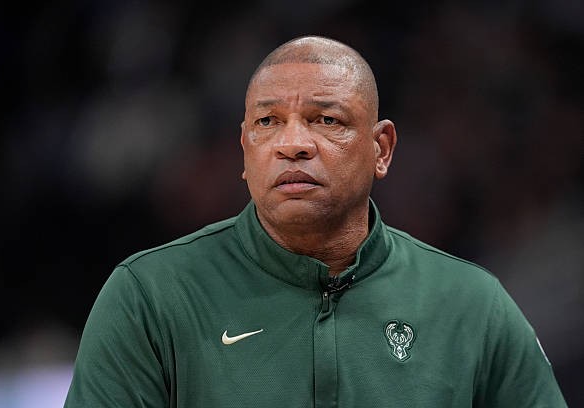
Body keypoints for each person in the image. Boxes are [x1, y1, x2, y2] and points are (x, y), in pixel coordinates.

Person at [64, 35, 567, 407]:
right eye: (267, 122)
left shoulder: (472, 305)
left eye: (327, 120)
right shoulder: (149, 297)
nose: (293, 144)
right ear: (244, 149)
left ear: (381, 148)